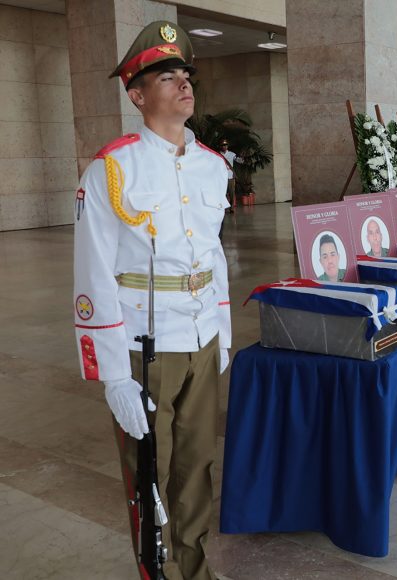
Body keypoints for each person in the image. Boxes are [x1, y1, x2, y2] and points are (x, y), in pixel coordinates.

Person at [73, 21, 231, 580]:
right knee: (149, 470)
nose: (185, 83)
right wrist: (113, 373)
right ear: (138, 95)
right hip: (146, 344)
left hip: (201, 335)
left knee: (196, 466)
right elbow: (92, 275)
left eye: (186, 73)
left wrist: (224, 333)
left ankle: (196, 569)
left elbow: (214, 256)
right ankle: (155, 569)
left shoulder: (214, 167)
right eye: (168, 76)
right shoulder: (112, 169)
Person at [218, 139, 238, 213]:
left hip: (230, 176)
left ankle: (232, 206)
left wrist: (242, 159)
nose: (224, 146)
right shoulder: (218, 154)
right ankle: (225, 206)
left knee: (231, 192)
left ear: (227, 146)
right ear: (220, 146)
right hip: (221, 176)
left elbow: (238, 160)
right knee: (223, 192)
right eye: (223, 145)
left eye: (225, 145)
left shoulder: (232, 154)